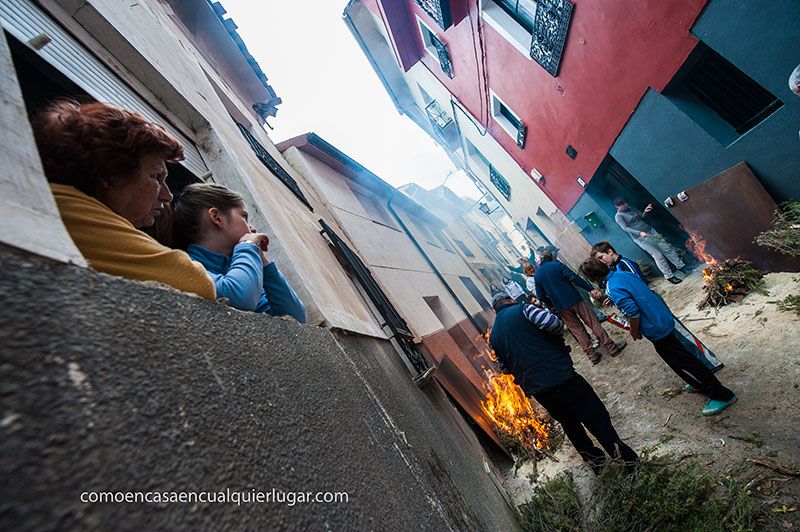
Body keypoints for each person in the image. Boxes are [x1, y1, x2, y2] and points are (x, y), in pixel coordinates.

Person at [31, 100, 215, 300]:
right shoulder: (63, 205)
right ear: (111, 175)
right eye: (155, 177)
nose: (168, 195)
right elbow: (196, 281)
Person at [489, 292, 638, 472]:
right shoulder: (524, 309)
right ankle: (625, 460)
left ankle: (596, 465)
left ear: (495, 309)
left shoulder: (494, 335)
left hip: (539, 390)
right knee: (594, 415)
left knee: (570, 425)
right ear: (510, 300)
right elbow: (554, 324)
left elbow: (504, 369)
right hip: (561, 376)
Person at [580, 258, 736, 416]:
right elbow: (636, 294)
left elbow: (632, 312)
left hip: (655, 327)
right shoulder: (622, 275)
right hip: (662, 318)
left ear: (592, 278)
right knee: (676, 360)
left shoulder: (613, 287)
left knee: (686, 361)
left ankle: (722, 395)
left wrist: (634, 331)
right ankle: (699, 383)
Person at [172, 183, 306, 323]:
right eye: (244, 217)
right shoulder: (185, 265)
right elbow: (241, 297)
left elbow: (296, 318)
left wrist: (264, 264)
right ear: (216, 217)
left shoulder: (241, 271)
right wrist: (247, 245)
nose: (252, 229)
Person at [534, 252, 625, 364]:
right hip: (574, 299)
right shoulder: (557, 265)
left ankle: (592, 355)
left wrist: (552, 305)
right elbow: (574, 277)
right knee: (593, 322)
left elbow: (540, 296)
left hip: (561, 307)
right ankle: (612, 348)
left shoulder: (537, 275)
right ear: (550, 258)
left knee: (577, 330)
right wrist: (590, 289)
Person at [613, 196, 685, 284]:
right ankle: (669, 276)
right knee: (658, 255)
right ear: (617, 206)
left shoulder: (631, 208)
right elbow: (625, 228)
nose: (626, 204)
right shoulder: (619, 216)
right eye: (623, 204)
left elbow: (642, 217)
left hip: (651, 231)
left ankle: (682, 267)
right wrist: (639, 233)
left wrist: (646, 211)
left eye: (625, 202)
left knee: (666, 248)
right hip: (641, 238)